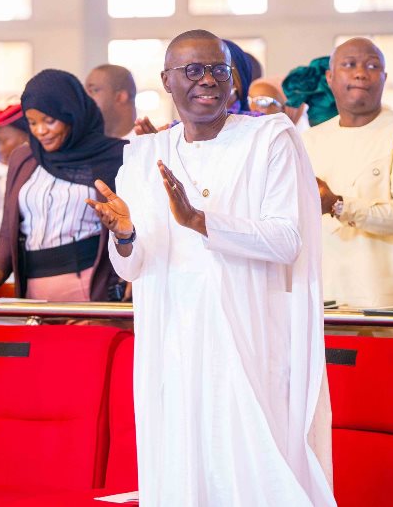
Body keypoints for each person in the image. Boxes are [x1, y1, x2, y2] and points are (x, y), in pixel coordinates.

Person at [87, 30, 335, 506]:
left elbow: (287, 240)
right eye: (193, 70)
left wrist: (201, 221)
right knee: (185, 467)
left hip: (248, 339)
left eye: (219, 69)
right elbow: (133, 267)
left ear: (234, 79)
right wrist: (123, 234)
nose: (208, 80)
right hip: (172, 344)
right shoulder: (142, 157)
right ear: (166, 80)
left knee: (255, 470)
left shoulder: (269, 141)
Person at [0, 69, 125, 301]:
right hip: (32, 287)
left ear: (71, 114)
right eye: (32, 123)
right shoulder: (24, 158)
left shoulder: (114, 156)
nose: (40, 131)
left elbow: (133, 227)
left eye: (49, 121)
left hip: (91, 285)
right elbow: (9, 229)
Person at [303, 37, 393, 308]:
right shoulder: (310, 140)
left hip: (384, 302)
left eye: (372, 65)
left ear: (384, 78)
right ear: (330, 77)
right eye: (349, 64)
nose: (360, 72)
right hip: (322, 299)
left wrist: (339, 206)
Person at [85, 64, 138, 139]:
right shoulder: (85, 145)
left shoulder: (150, 145)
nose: (84, 97)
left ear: (120, 97)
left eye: (94, 90)